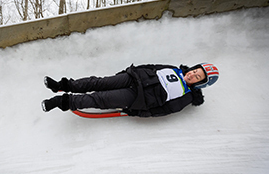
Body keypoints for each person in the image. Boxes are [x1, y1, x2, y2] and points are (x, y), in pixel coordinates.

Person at [41, 63, 219, 117]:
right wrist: (129, 71)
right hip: (133, 77)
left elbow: (165, 109)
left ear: (200, 83)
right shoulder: (175, 68)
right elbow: (152, 66)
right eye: (195, 71)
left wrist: (139, 112)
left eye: (198, 77)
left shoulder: (187, 96)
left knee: (100, 99)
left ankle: (60, 102)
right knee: (98, 82)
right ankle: (62, 85)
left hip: (138, 96)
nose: (193, 75)